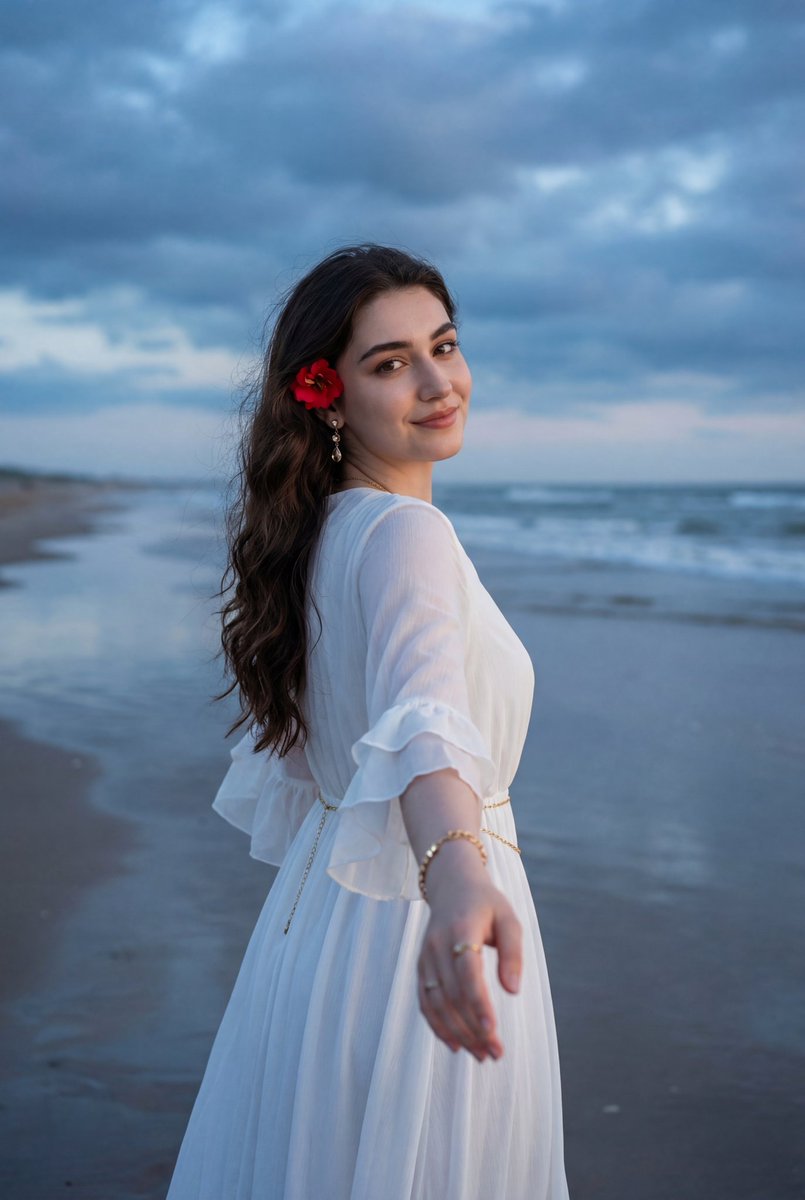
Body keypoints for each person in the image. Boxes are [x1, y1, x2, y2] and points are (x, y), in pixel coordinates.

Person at [166, 243, 570, 1198]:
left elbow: (345, 747)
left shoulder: (319, 535)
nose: (437, 382)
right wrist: (459, 879)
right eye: (390, 363)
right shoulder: (407, 532)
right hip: (422, 925)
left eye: (444, 345)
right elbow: (425, 722)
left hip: (326, 927)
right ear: (326, 394)